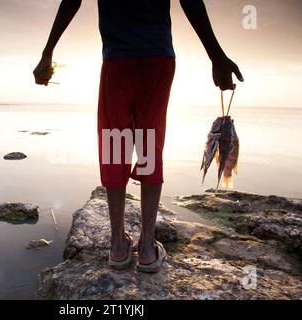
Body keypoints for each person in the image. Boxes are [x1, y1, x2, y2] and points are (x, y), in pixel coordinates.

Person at [34, 0, 243, 273]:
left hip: (117, 59)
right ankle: (146, 248)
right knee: (149, 146)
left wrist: (48, 51)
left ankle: (119, 247)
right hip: (157, 58)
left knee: (114, 145)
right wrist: (216, 55)